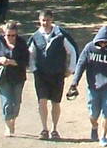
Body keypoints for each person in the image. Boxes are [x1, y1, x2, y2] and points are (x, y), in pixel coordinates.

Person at [27, 10, 78, 140]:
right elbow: (30, 54)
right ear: (39, 20)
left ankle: (55, 129)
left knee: (56, 102)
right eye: (43, 20)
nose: (45, 23)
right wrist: (33, 68)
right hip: (41, 74)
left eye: (48, 20)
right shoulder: (35, 36)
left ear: (52, 20)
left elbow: (72, 51)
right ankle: (44, 129)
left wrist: (71, 69)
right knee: (42, 101)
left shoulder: (60, 35)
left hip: (57, 74)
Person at [68, 25, 107, 145]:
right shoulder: (89, 48)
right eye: (101, 41)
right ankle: (94, 126)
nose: (103, 44)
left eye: (105, 42)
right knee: (93, 114)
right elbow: (81, 65)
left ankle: (103, 137)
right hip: (93, 88)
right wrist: (74, 82)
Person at [0, 20, 30, 136]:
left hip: (18, 77)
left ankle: (13, 120)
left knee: (16, 102)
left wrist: (13, 62)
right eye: (8, 35)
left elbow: (26, 60)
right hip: (3, 77)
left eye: (13, 35)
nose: (11, 38)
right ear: (4, 33)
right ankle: (8, 125)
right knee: (6, 102)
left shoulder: (22, 43)